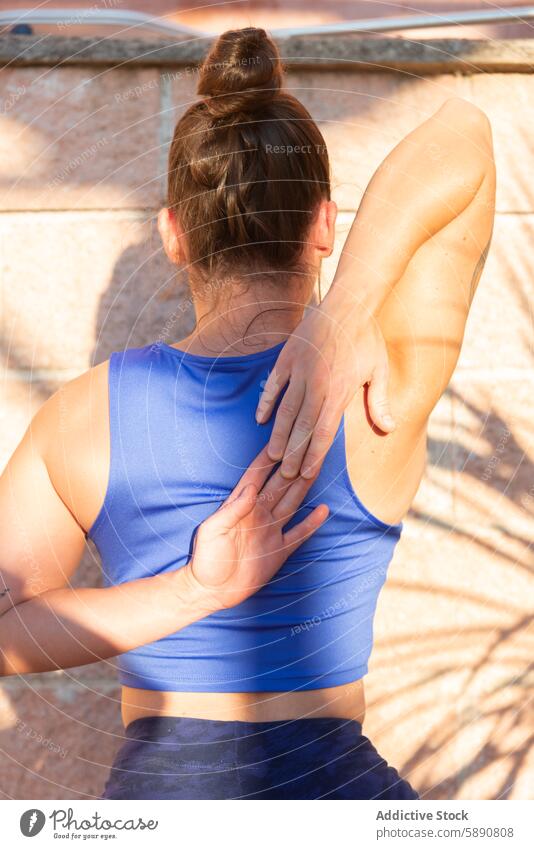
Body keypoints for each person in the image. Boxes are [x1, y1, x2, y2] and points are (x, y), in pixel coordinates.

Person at [0, 27, 495, 799]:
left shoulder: (83, 414)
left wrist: (188, 593)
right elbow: (466, 135)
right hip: (342, 795)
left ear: (174, 234)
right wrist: (343, 316)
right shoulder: (382, 388)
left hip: (158, 803)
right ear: (325, 223)